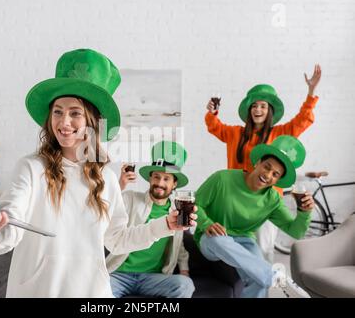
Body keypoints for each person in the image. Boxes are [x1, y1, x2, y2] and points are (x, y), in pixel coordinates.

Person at [0, 49, 197, 298]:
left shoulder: (107, 178)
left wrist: (165, 224)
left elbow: (118, 239)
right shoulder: (32, 168)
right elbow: (9, 228)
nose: (64, 122)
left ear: (93, 121)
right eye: (58, 111)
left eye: (75, 113)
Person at [204, 65, 321, 262]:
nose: (258, 110)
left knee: (264, 249)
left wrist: (311, 92)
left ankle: (263, 284)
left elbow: (303, 120)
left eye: (263, 106)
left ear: (270, 111)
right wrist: (212, 113)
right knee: (234, 248)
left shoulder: (279, 134)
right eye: (254, 106)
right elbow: (215, 127)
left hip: (265, 202)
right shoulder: (236, 134)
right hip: (236, 201)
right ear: (249, 109)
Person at [194, 135, 314, 298]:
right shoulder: (222, 178)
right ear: (257, 163)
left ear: (277, 180)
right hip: (211, 238)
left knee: (258, 279)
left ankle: (269, 276)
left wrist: (304, 212)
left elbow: (296, 232)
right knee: (219, 240)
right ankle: (274, 277)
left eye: (275, 174)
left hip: (245, 241)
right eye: (267, 167)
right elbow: (194, 205)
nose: (268, 175)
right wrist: (206, 223)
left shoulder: (272, 199)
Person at [107, 141, 195, 298]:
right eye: (156, 177)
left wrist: (184, 271)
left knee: (185, 285)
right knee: (96, 291)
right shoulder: (130, 199)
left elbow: (179, 247)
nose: (160, 183)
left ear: (174, 184)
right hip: (119, 274)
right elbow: (103, 210)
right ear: (150, 178)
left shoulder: (177, 213)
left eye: (166, 179)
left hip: (152, 278)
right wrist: (119, 185)